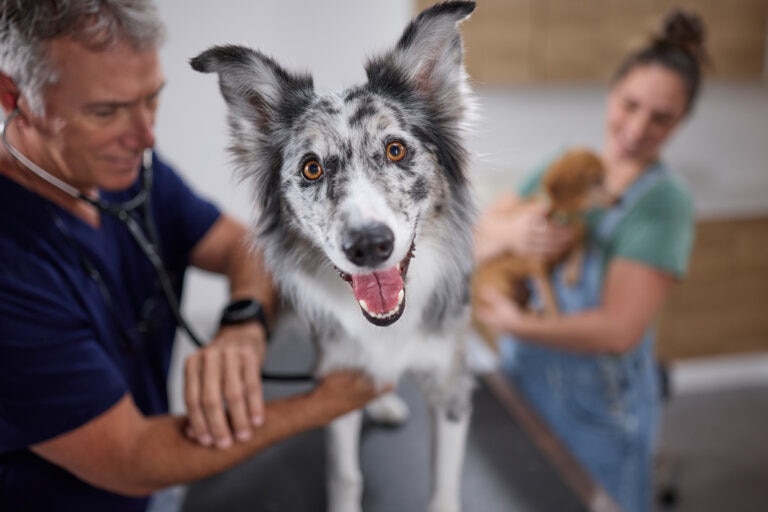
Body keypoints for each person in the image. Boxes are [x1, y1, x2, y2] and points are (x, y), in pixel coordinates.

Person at [0, 2, 387, 511]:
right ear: (15, 98)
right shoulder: (11, 265)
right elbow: (131, 456)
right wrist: (330, 400)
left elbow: (235, 245)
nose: (145, 137)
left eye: (151, 99)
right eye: (106, 111)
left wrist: (244, 324)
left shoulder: (128, 173)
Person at [473, 8, 707, 512]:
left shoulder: (663, 203)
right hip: (523, 385)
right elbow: (475, 238)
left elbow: (617, 331)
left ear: (680, 123)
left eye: (661, 118)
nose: (638, 127)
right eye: (631, 104)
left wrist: (517, 324)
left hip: (598, 411)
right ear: (612, 92)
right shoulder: (569, 165)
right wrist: (514, 232)